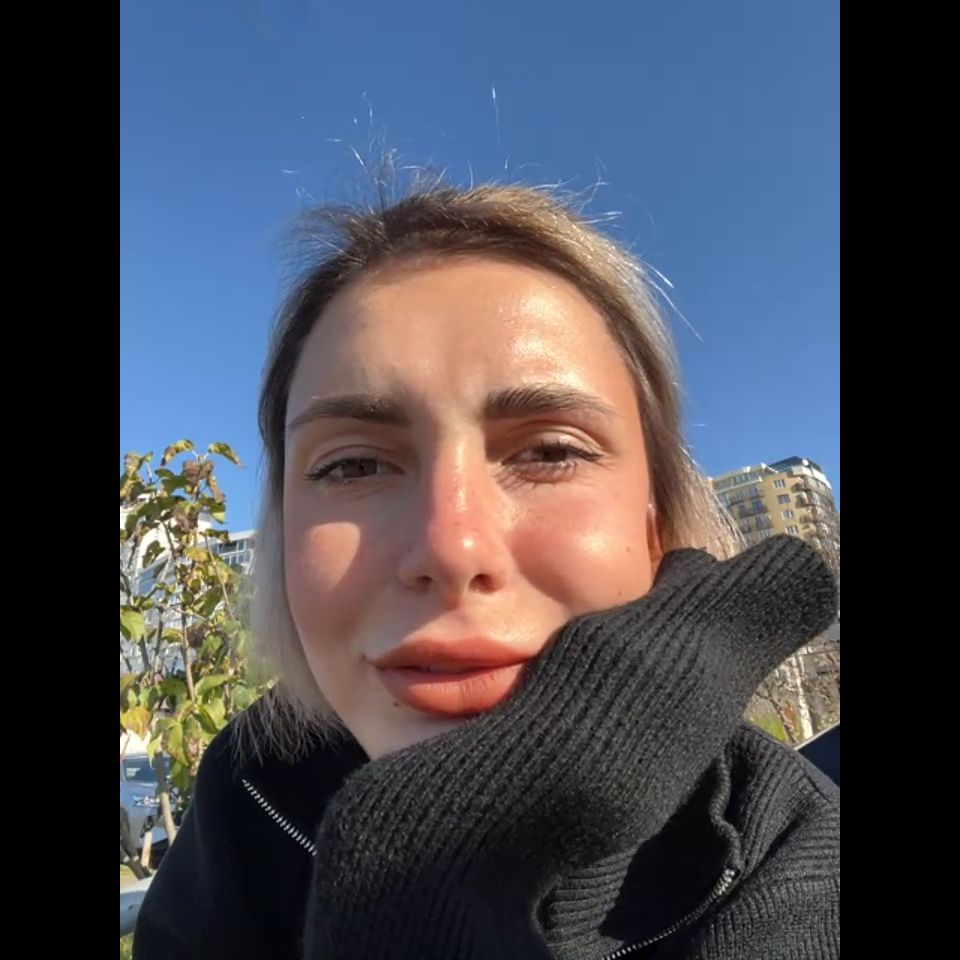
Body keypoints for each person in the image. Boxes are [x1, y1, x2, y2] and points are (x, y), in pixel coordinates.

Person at [135, 182, 839, 959]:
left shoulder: (796, 859)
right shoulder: (252, 787)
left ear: (657, 522)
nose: (451, 548)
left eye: (551, 451)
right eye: (354, 464)